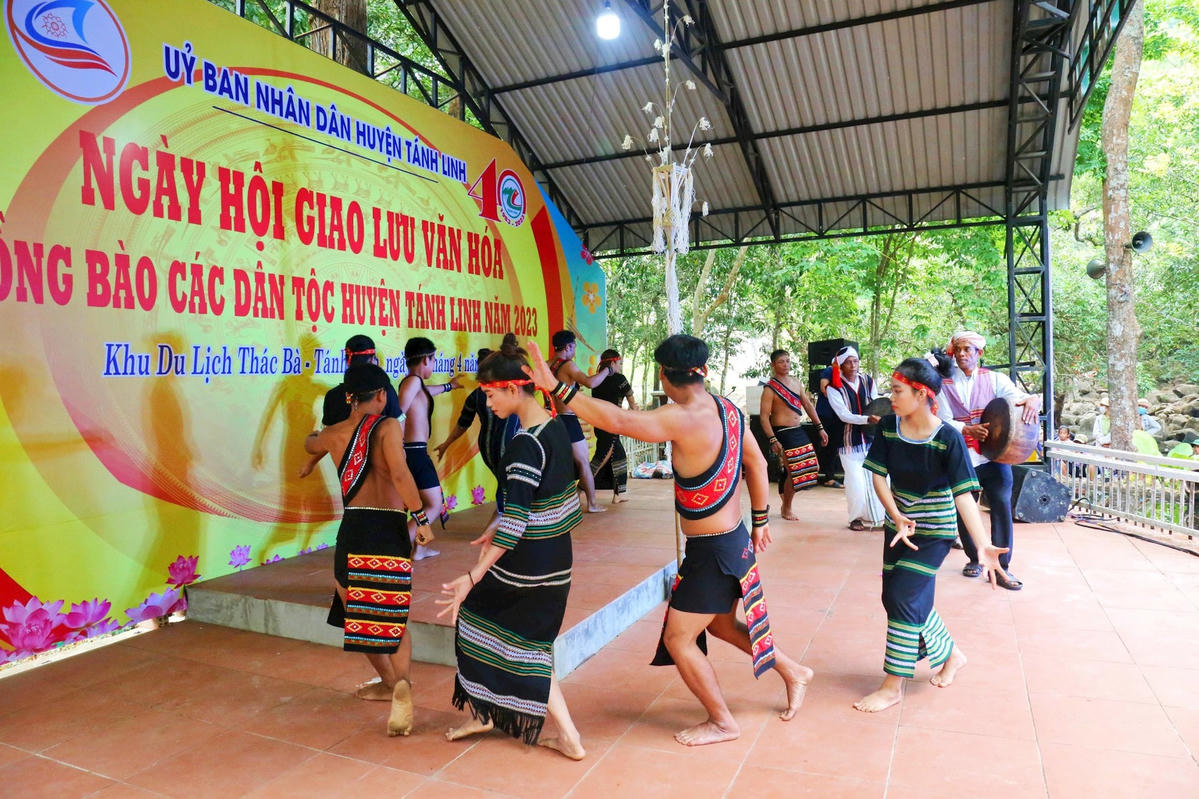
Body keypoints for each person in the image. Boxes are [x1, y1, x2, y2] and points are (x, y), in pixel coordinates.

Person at [525, 334, 813, 747]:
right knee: (719, 626)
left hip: (714, 550)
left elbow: (619, 421)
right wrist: (761, 521)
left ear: (663, 374)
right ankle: (792, 670)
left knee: (680, 639)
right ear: (705, 371)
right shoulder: (729, 410)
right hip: (729, 541)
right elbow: (757, 461)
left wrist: (556, 387)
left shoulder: (680, 417)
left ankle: (723, 722)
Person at [436, 338, 586, 760]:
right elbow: (546, 502)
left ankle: (562, 734)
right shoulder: (554, 426)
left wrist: (473, 575)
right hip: (557, 556)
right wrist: (500, 524)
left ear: (514, 388)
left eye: (490, 394)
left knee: (482, 621)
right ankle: (490, 713)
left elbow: (518, 520)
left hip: (529, 563)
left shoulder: (524, 444)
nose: (488, 403)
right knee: (522, 641)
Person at [854, 356, 1007, 713]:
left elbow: (964, 496)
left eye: (897, 390)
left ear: (922, 394)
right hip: (898, 528)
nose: (890, 397)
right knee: (893, 597)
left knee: (904, 597)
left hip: (935, 531)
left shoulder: (948, 438)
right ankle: (951, 654)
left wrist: (982, 545)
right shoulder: (890, 427)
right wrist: (895, 515)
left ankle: (893, 685)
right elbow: (878, 475)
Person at [302, 363, 433, 735]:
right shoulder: (389, 426)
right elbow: (400, 474)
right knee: (394, 617)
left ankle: (388, 682)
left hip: (355, 529)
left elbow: (310, 442)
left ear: (348, 398)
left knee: (353, 609)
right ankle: (401, 684)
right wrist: (421, 521)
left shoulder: (333, 433)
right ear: (380, 395)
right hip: (389, 528)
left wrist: (313, 452)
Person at [933, 332, 1040, 591]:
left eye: (968, 349)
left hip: (995, 455)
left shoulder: (995, 379)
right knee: (965, 503)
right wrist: (966, 429)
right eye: (958, 349)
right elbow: (942, 418)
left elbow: (1020, 398)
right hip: (962, 454)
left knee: (1002, 505)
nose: (961, 354)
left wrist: (1034, 399)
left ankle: (1003, 564)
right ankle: (974, 558)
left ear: (979, 353)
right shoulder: (943, 384)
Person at [298, 334, 403, 479]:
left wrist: (311, 462)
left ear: (347, 361)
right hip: (384, 475)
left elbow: (329, 439)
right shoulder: (384, 391)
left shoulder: (333, 396)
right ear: (373, 360)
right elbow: (399, 434)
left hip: (350, 477)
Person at [398, 337, 462, 560]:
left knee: (428, 504)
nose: (433, 365)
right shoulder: (412, 382)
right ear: (426, 359)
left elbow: (426, 392)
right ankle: (401, 547)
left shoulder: (415, 384)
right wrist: (397, 448)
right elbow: (398, 414)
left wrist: (449, 386)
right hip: (413, 452)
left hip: (416, 452)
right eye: (433, 360)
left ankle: (420, 548)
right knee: (433, 504)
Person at [433, 346, 521, 489]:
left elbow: (462, 424)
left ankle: (501, 509)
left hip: (488, 448)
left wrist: (446, 444)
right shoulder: (512, 388)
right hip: (509, 446)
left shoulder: (476, 396)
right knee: (510, 488)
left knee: (506, 486)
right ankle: (503, 510)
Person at [547, 330, 614, 513]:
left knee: (560, 463)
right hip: (567, 419)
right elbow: (590, 383)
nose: (575, 350)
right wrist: (607, 370)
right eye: (574, 346)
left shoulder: (546, 365)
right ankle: (592, 503)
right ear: (568, 346)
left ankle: (562, 503)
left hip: (550, 420)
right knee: (583, 461)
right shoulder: (568, 366)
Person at [759, 349, 828, 520]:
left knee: (813, 467)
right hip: (782, 432)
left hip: (798, 430)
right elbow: (763, 417)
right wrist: (772, 439)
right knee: (795, 471)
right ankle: (786, 508)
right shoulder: (770, 388)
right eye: (781, 361)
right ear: (773, 365)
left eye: (788, 361)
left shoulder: (796, 382)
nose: (786, 364)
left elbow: (808, 406)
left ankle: (784, 489)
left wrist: (820, 427)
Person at [826, 346, 885, 530]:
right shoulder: (833, 388)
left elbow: (876, 403)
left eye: (855, 361)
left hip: (871, 439)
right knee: (856, 482)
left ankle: (880, 517)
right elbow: (844, 415)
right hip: (849, 442)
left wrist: (880, 414)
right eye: (848, 362)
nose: (853, 365)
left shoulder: (867, 380)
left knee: (878, 480)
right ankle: (855, 518)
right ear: (840, 366)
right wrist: (867, 418)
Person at [589, 348, 639, 503]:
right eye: (619, 363)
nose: (620, 366)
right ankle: (579, 488)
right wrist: (637, 413)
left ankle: (618, 494)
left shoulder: (596, 380)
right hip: (613, 423)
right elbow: (632, 402)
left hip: (600, 423)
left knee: (618, 457)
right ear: (612, 362)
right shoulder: (620, 379)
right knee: (602, 458)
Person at [814, 366, 844, 486]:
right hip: (825, 414)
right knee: (822, 444)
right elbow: (824, 388)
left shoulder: (852, 374)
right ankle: (811, 475)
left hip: (840, 415)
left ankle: (829, 477)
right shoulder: (830, 370)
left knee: (833, 446)